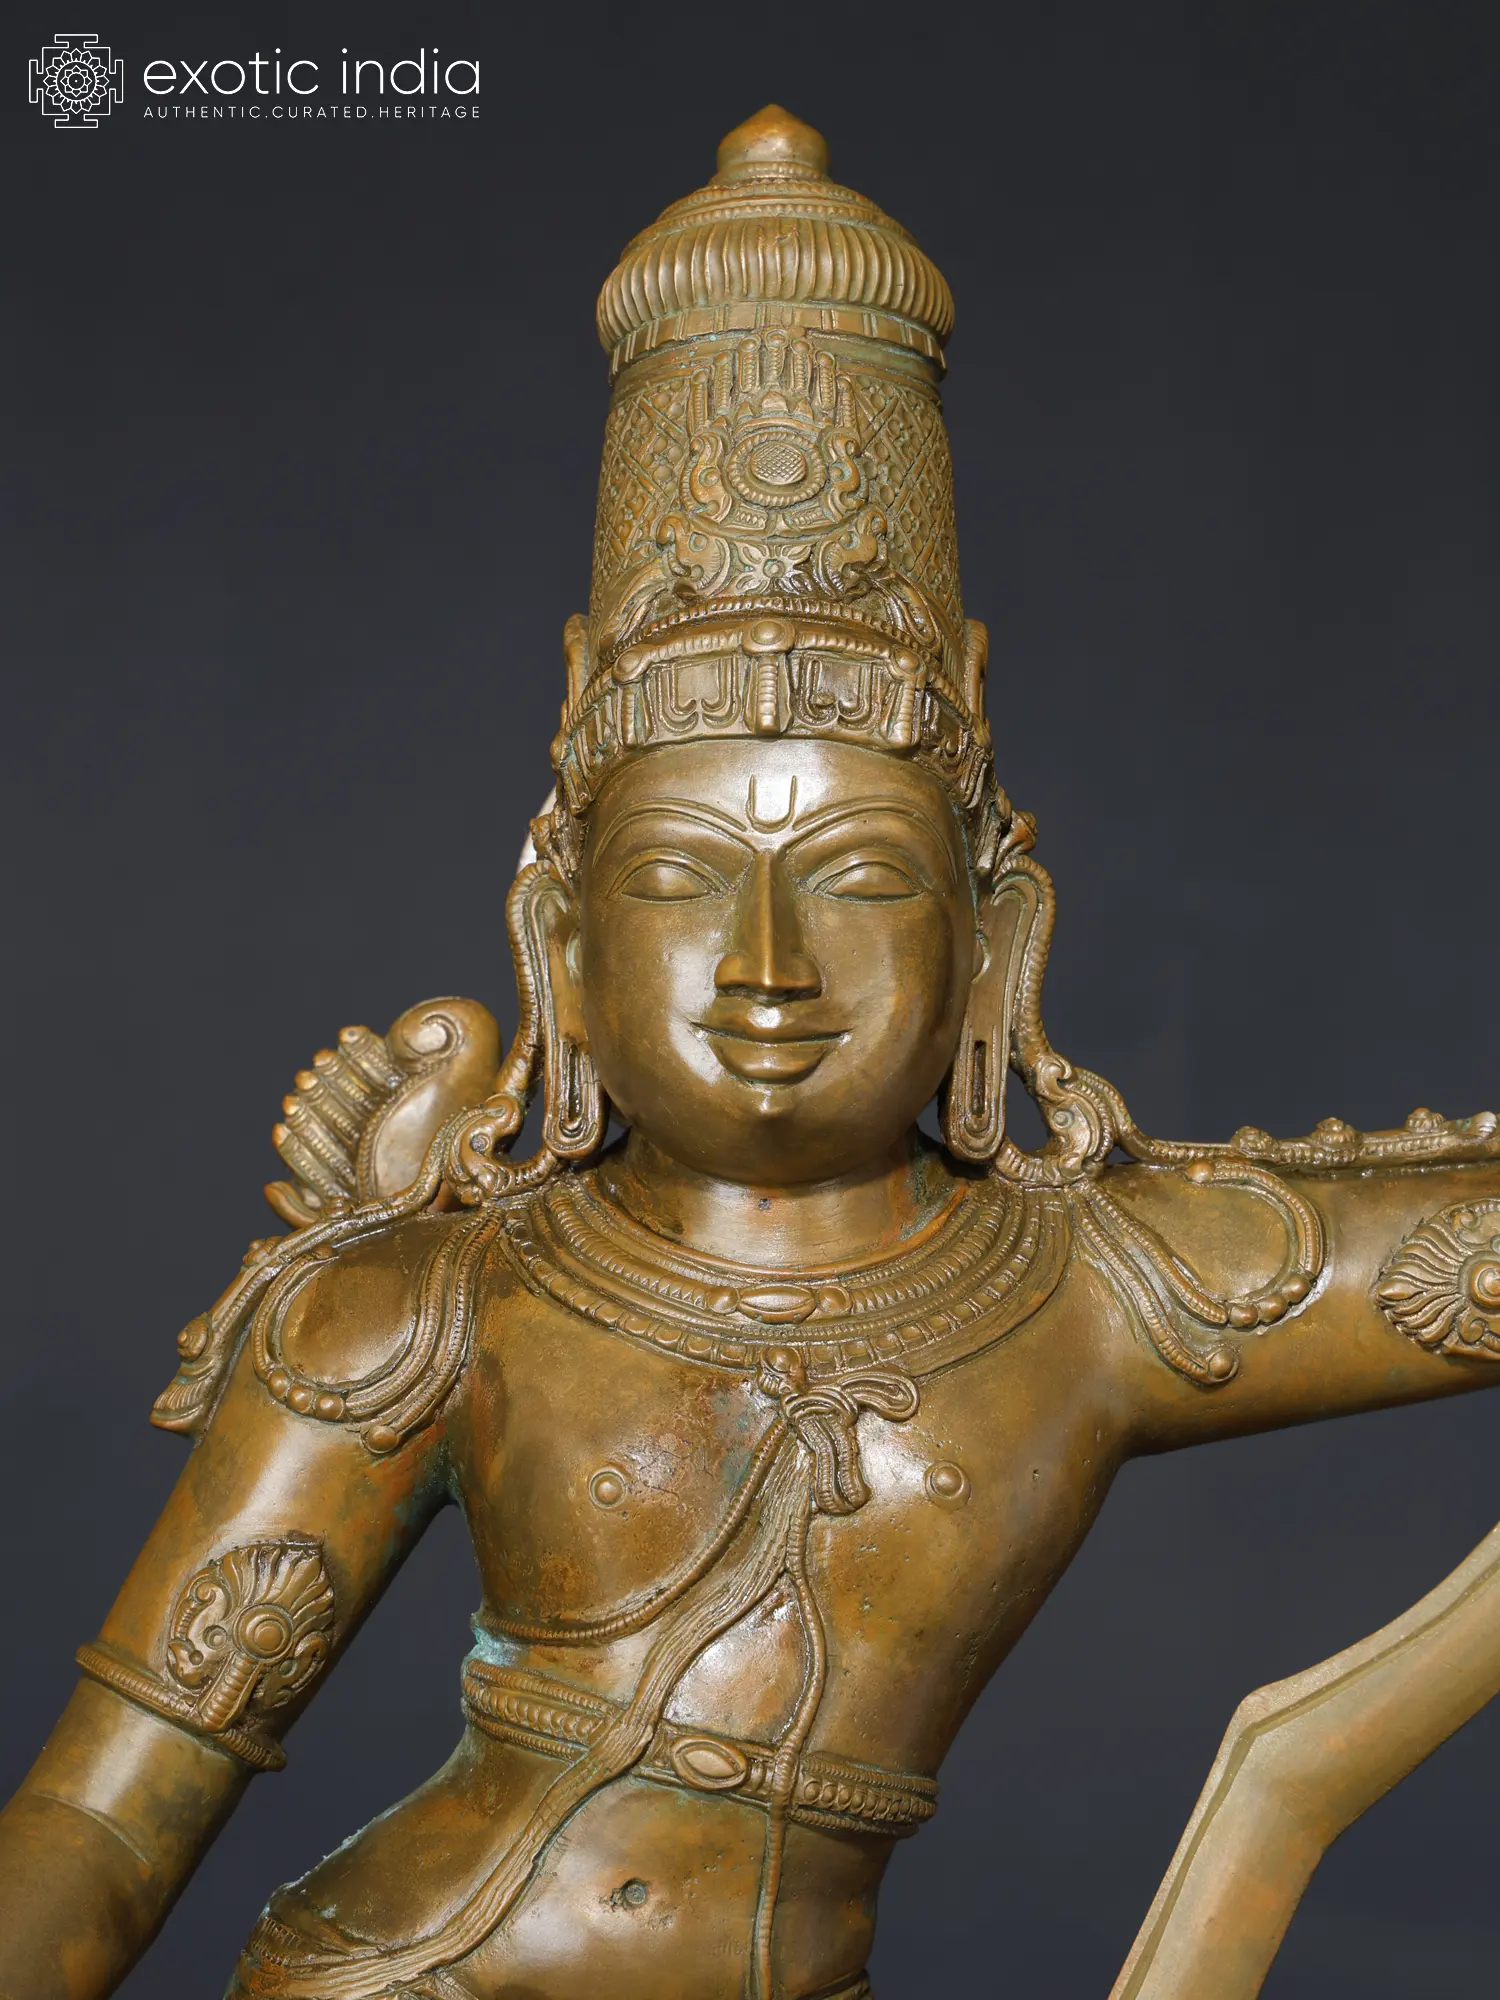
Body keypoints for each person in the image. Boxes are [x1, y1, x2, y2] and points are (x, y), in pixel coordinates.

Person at [2, 106, 1497, 2000]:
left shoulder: (1096, 1295)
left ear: (995, 938)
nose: (770, 967)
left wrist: (1302, 1777)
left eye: (859, 875)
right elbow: (107, 1820)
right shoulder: (423, 1311)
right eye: (682, 876)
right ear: (560, 938)